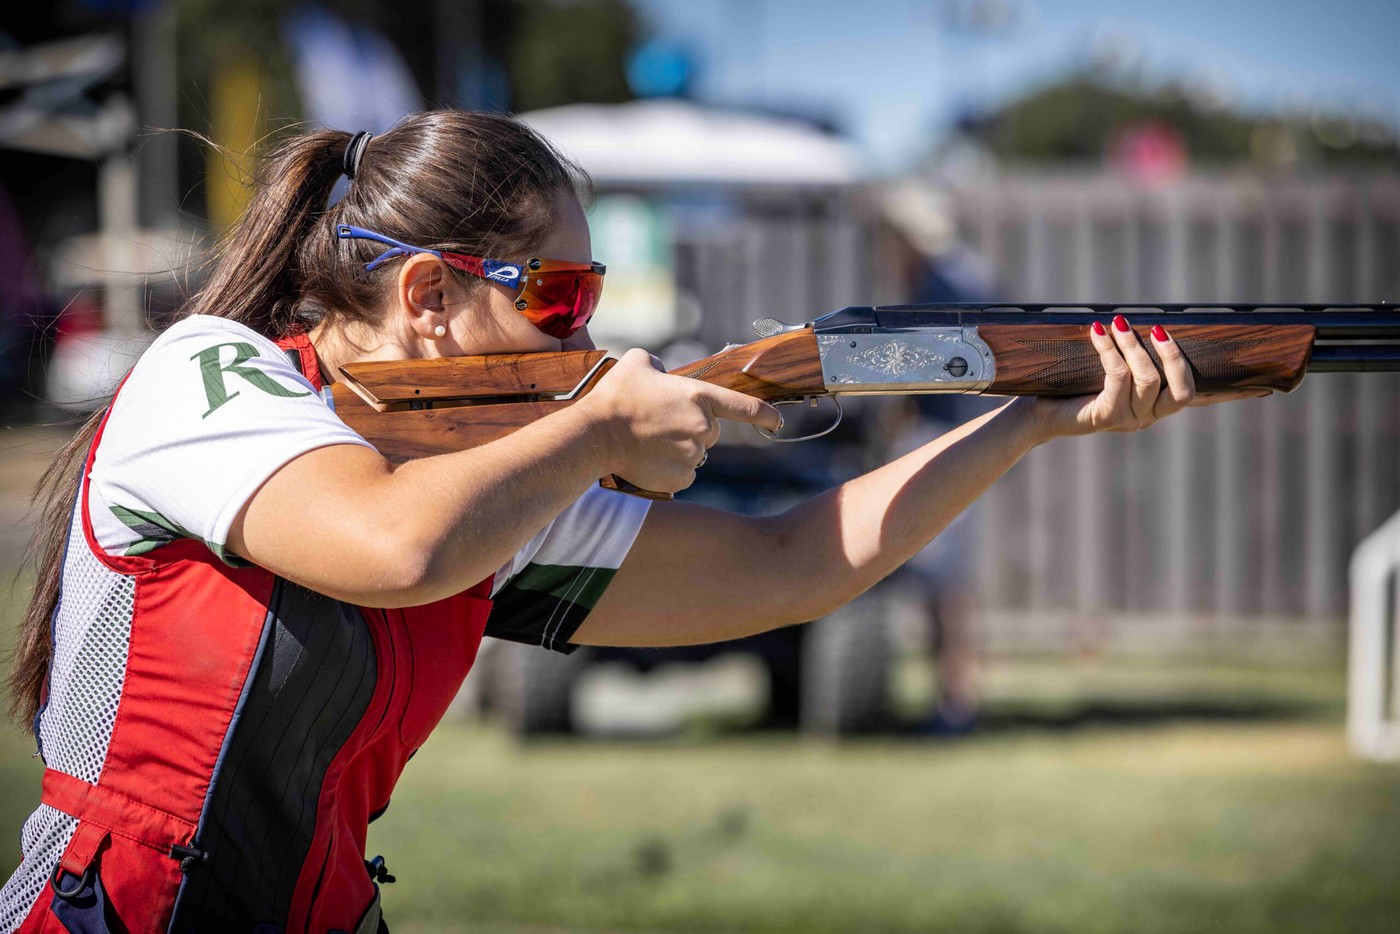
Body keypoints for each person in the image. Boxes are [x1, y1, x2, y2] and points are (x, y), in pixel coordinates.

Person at [0, 111, 1264, 933]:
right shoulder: (210, 372)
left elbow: (786, 564)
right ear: (431, 296)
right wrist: (599, 431)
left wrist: (1024, 420)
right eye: (561, 292)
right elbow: (390, 550)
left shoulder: (484, 469)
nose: (589, 333)